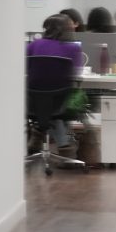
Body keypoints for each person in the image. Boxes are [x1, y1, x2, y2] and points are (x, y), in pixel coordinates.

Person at [26, 14, 82, 159]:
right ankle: (66, 152)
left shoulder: (33, 45)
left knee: (47, 103)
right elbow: (76, 73)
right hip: (61, 101)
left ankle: (38, 135)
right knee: (55, 106)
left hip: (33, 102)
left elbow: (25, 70)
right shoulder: (73, 48)